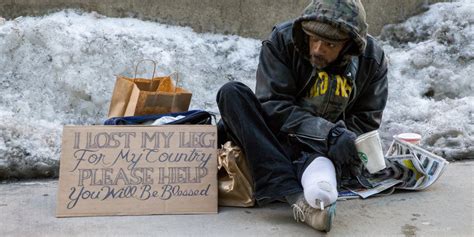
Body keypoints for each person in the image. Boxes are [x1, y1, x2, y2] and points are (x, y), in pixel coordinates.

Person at [216, 0, 388, 232]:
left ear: (349, 44)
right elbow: (273, 105)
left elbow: (366, 121)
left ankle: (297, 183)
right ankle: (297, 198)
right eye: (313, 38)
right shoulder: (283, 40)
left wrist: (337, 139)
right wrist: (329, 133)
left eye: (329, 43)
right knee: (231, 93)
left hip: (321, 151)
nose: (317, 49)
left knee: (321, 163)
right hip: (278, 136)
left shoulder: (372, 61)